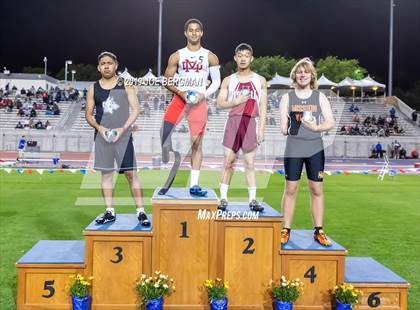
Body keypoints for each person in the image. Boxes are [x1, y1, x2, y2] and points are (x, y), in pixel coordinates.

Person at [85, 51, 150, 226]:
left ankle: (141, 212)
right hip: (102, 137)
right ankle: (109, 212)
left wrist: (123, 129)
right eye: (103, 63)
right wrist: (101, 129)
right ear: (99, 67)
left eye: (110, 63)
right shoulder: (93, 88)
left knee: (131, 174)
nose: (106, 66)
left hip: (123, 136)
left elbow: (135, 110)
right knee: (106, 175)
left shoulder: (126, 84)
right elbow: (89, 115)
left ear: (116, 65)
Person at [160, 18, 221, 196]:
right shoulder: (177, 55)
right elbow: (167, 81)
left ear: (201, 33)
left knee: (196, 144)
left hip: (198, 103)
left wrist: (203, 94)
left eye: (197, 30)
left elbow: (216, 81)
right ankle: (166, 150)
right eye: (190, 30)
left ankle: (194, 184)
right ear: (186, 33)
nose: (194, 33)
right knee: (164, 131)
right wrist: (181, 93)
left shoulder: (210, 56)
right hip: (181, 100)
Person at [279, 58, 336, 246]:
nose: (303, 75)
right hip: (294, 147)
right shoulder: (287, 97)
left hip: (314, 147)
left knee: (316, 189)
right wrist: (286, 126)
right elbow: (282, 127)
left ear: (312, 76)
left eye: (306, 72)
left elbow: (330, 121)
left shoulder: (319, 97)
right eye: (299, 72)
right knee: (291, 189)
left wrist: (317, 127)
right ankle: (285, 229)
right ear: (294, 75)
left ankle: (318, 230)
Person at [216, 43, 267, 212]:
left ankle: (252, 200)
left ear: (251, 58)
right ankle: (223, 198)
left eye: (246, 55)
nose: (243, 58)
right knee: (228, 162)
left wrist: (261, 130)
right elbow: (220, 103)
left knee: (249, 163)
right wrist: (235, 102)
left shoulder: (260, 80)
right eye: (240, 55)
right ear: (235, 58)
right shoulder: (228, 80)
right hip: (233, 122)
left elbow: (264, 106)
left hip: (250, 122)